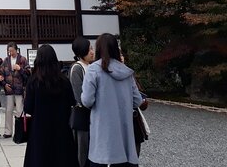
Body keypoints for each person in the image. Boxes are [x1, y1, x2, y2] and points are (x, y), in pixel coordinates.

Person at [81, 33, 143, 167]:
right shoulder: (126, 72)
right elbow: (137, 100)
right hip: (124, 137)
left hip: (102, 137)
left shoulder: (93, 70)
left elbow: (87, 101)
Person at [23, 45, 78, 166]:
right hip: (61, 128)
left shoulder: (34, 81)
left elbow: (28, 107)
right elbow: (71, 102)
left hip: (40, 129)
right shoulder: (64, 80)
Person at [70, 37, 94, 167]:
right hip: (83, 115)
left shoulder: (92, 66)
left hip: (93, 115)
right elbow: (78, 96)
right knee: (83, 150)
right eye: (89, 49)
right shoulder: (77, 69)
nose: (92, 51)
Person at [1, 42, 29, 139]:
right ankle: (8, 131)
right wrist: (4, 84)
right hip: (9, 89)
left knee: (19, 110)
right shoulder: (5, 60)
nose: (11, 53)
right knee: (8, 110)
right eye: (9, 51)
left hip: (19, 89)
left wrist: (20, 69)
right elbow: (1, 74)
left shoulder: (22, 59)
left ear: (16, 50)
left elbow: (28, 74)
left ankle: (20, 131)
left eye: (12, 51)